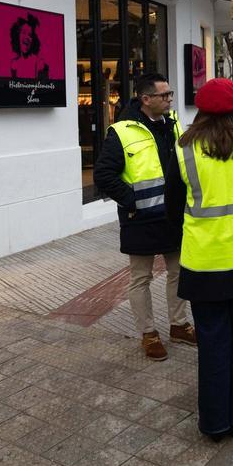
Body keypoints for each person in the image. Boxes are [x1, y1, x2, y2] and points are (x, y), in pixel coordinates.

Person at [165, 78, 233, 441]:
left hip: (204, 264)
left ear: (200, 111)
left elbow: (171, 208)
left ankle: (214, 422)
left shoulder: (183, 152)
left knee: (212, 341)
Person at [93, 73, 194, 361]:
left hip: (172, 217)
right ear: (145, 98)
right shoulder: (121, 131)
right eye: (165, 95)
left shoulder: (172, 125)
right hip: (140, 219)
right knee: (141, 278)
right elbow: (103, 175)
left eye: (170, 94)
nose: (170, 99)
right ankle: (148, 333)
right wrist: (131, 201)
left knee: (178, 272)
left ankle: (179, 325)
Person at [9, 14, 49, 79]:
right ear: (17, 36)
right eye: (24, 32)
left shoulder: (39, 63)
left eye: (30, 35)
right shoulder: (14, 64)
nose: (27, 37)